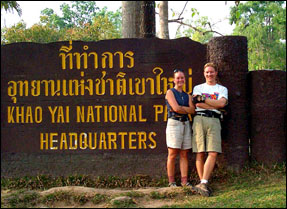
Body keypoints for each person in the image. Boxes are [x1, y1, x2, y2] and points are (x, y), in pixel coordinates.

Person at [191, 62, 228, 196]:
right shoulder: (198, 87)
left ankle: (203, 183)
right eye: (207, 72)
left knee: (213, 152)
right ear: (204, 73)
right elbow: (198, 103)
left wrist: (206, 101)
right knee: (200, 152)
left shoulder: (222, 89)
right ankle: (203, 183)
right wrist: (215, 105)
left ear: (216, 73)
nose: (209, 74)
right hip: (199, 119)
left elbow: (222, 103)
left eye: (211, 72)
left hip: (214, 120)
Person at [165, 69, 195, 187]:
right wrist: (183, 109)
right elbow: (175, 109)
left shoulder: (187, 95)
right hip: (174, 123)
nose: (180, 80)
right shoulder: (170, 92)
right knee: (172, 153)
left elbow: (192, 110)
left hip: (186, 123)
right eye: (178, 78)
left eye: (182, 78)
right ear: (173, 80)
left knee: (184, 153)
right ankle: (171, 182)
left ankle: (184, 181)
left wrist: (181, 108)